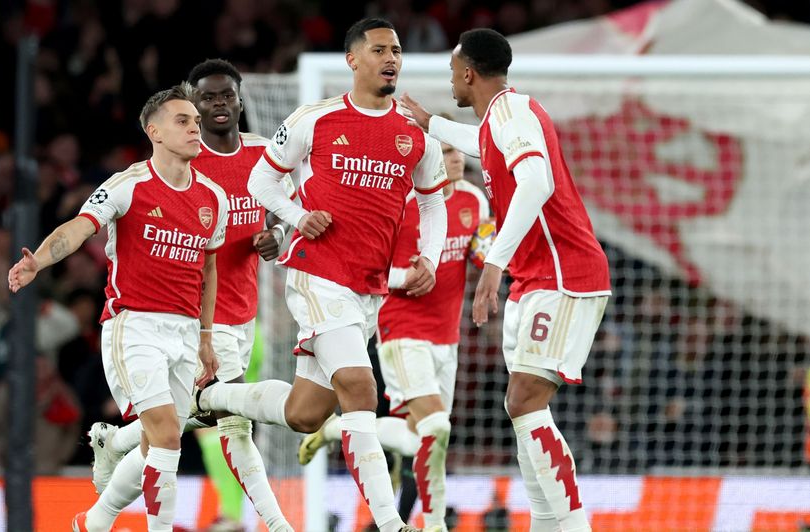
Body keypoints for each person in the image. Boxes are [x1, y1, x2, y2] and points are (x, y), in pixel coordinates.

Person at [192, 18, 449, 532]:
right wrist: (296, 218)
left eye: (396, 50)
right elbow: (264, 179)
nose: (391, 58)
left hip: (368, 289)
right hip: (316, 274)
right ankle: (391, 524)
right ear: (353, 60)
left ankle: (212, 397)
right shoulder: (316, 119)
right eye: (379, 49)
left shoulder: (414, 134)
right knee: (360, 385)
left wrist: (430, 257)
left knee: (306, 413)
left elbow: (433, 199)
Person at [400, 29, 611, 532]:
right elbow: (483, 144)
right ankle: (547, 523)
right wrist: (433, 124)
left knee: (524, 401)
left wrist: (494, 262)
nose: (451, 79)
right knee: (522, 409)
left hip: (564, 274)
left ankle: (573, 524)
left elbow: (537, 180)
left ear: (468, 73)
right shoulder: (501, 117)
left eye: (453, 71)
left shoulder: (512, 110)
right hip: (537, 278)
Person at [8, 82, 228, 532]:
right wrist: (41, 261)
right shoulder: (128, 185)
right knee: (168, 436)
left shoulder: (213, 198)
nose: (195, 128)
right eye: (183, 121)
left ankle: (94, 520)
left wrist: (206, 337)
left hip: (186, 332)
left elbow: (209, 273)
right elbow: (79, 227)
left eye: (197, 121)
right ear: (155, 132)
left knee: (154, 444)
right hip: (135, 327)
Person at [86, 59, 295, 532]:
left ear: (242, 101)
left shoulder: (267, 157)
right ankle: (276, 523)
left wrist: (277, 235)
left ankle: (109, 472)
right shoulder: (184, 162)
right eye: (206, 99)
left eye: (226, 96)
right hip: (194, 317)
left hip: (246, 314)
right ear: (191, 108)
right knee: (228, 425)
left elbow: (284, 211)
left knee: (172, 428)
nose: (218, 105)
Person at [296, 139, 489, 530]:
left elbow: (480, 247)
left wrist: (493, 263)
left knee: (428, 439)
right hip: (401, 330)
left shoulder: (473, 201)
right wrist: (411, 276)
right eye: (446, 153)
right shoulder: (404, 208)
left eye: (457, 154)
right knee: (436, 428)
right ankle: (433, 524)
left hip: (446, 337)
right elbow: (376, 271)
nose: (454, 160)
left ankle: (337, 427)